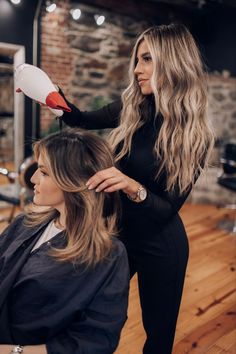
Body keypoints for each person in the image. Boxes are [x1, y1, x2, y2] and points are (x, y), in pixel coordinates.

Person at [59, 23, 215, 354]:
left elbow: (167, 209)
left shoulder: (193, 135)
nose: (137, 69)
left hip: (162, 244)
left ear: (173, 63)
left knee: (158, 338)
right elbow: (81, 118)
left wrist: (132, 187)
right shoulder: (132, 108)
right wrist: (49, 95)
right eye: (136, 60)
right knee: (84, 309)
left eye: (146, 59)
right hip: (120, 233)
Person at [0, 129, 130, 354]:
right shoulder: (26, 222)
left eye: (43, 172)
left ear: (73, 180)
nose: (32, 179)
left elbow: (95, 340)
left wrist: (13, 351)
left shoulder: (107, 254)